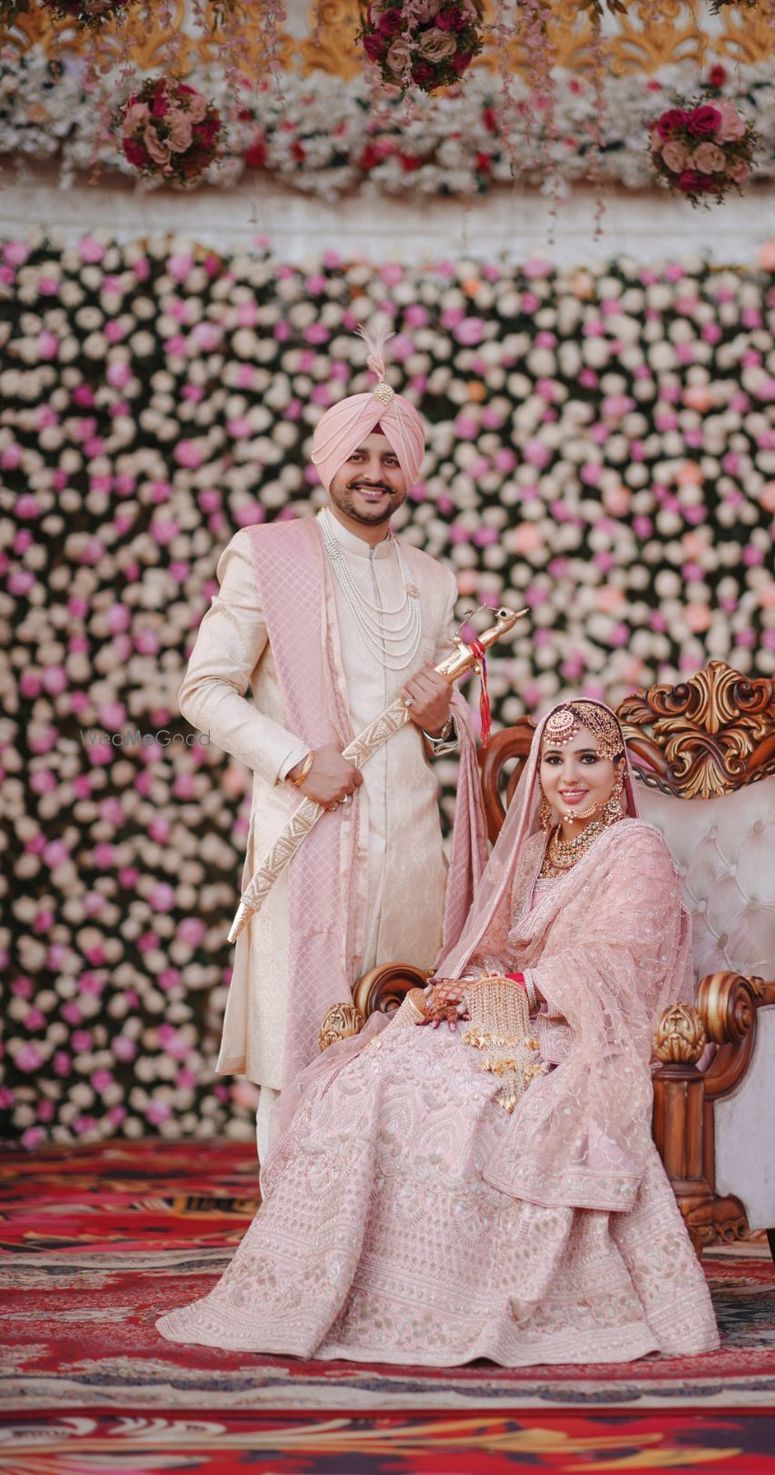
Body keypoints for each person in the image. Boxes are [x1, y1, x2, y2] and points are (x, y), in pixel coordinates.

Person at [157, 700, 720, 1366]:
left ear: (618, 766)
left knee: (456, 1096)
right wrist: (459, 992)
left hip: (580, 1036)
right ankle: (347, 1285)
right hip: (510, 1019)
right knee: (381, 1066)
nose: (570, 775)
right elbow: (496, 950)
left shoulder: (635, 848)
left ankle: (446, 1297)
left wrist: (519, 990)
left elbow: (625, 958)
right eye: (554, 758)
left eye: (589, 758)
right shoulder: (537, 851)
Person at [177, 326, 484, 1161]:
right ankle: (293, 1246)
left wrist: (436, 716)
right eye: (359, 456)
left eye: (391, 460)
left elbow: (454, 728)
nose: (374, 474)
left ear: (410, 473)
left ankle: (384, 1237)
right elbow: (202, 691)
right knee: (298, 1044)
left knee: (404, 1040)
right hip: (307, 832)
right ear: (328, 462)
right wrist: (300, 761)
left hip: (412, 845)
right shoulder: (269, 553)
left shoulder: (432, 576)